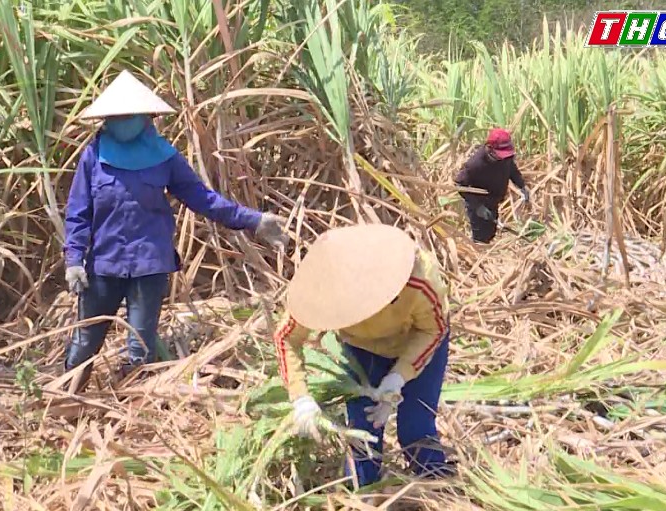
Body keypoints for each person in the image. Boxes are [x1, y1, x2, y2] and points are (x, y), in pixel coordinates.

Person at [64, 70, 288, 391]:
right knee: (84, 343)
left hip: (149, 265)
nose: (122, 121)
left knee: (140, 348)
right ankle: (64, 404)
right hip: (104, 265)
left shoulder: (164, 157)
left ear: (146, 118)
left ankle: (133, 415)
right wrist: (74, 259)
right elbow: (78, 211)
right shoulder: (94, 157)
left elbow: (203, 199)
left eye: (129, 115)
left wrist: (253, 220)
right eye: (117, 116)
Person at [273, 223, 455, 488]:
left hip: (415, 343)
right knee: (362, 432)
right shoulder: (321, 289)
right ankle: (363, 497)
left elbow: (433, 330)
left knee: (415, 427)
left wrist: (397, 378)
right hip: (361, 351)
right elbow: (287, 337)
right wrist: (300, 397)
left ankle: (437, 488)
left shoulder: (418, 279)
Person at [454, 128, 530, 244]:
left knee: (490, 232)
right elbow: (460, 184)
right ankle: (478, 255)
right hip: (479, 203)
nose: (504, 158)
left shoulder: (506, 159)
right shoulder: (475, 164)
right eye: (501, 155)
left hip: (494, 199)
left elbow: (512, 171)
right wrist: (478, 207)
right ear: (489, 148)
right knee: (480, 235)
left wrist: (522, 186)